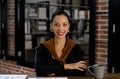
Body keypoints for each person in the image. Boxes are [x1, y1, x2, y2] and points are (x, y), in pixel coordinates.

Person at [35, 10, 87, 76]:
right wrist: (67, 66)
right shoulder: (43, 47)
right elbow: (39, 71)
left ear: (68, 27)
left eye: (64, 25)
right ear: (51, 26)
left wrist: (54, 72)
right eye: (56, 25)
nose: (60, 29)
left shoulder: (75, 47)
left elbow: (82, 71)